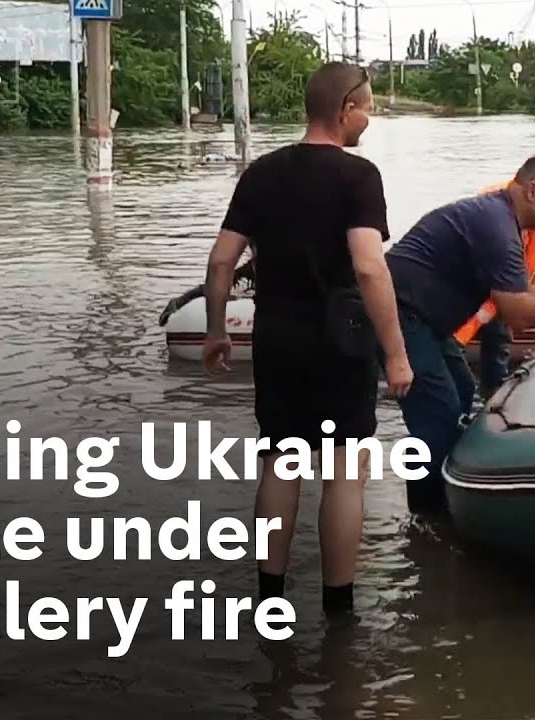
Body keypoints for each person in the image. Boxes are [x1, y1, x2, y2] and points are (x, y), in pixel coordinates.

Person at [201, 62, 413, 618]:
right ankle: (338, 610)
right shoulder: (359, 176)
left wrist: (218, 330)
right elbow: (369, 269)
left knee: (279, 461)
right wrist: (396, 354)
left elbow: (223, 259)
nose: (369, 117)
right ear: (346, 109)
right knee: (344, 469)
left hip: (276, 336)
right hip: (340, 340)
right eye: (367, 106)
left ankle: (269, 597)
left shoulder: (263, 172)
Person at [385, 153, 535, 513]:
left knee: (465, 391)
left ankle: (445, 498)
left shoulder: (506, 221)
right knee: (438, 413)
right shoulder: (497, 226)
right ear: (532, 191)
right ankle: (428, 515)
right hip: (402, 314)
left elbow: (523, 293)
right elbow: (516, 315)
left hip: (429, 320)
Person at [455, 175, 535, 399]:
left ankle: (492, 391)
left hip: (501, 292)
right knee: (464, 337)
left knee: (498, 334)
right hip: (470, 290)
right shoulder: (491, 217)